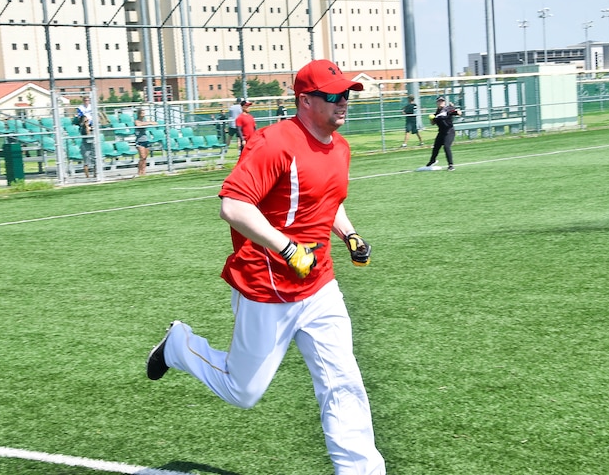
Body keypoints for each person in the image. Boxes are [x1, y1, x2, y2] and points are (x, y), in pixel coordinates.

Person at [146, 59, 385, 475]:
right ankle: (180, 346)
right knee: (244, 391)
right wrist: (288, 247)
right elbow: (233, 206)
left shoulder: (340, 147)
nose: (344, 102)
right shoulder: (274, 143)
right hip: (266, 285)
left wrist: (348, 234)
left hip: (320, 286)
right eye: (334, 96)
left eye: (347, 94)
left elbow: (325, 200)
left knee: (343, 382)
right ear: (305, 101)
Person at [425, 96, 461, 170]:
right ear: (437, 103)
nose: (441, 102)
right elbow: (433, 123)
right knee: (436, 147)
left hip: (449, 132)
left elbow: (457, 113)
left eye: (442, 101)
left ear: (444, 102)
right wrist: (431, 119)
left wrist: (457, 111)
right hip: (441, 132)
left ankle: (451, 165)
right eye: (439, 101)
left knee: (446, 146)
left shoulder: (447, 109)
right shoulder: (437, 113)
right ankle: (432, 161)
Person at [134, 108, 157, 177]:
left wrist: (148, 122)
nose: (143, 114)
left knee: (145, 158)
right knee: (142, 157)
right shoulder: (136, 121)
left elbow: (155, 123)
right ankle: (139, 172)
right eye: (142, 113)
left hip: (145, 140)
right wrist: (148, 123)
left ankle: (143, 172)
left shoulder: (145, 120)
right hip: (139, 141)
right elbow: (138, 124)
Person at [75, 97, 95, 178]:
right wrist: (86, 125)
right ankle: (87, 176)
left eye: (88, 100)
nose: (87, 101)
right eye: (85, 100)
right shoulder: (80, 108)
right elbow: (86, 132)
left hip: (92, 138)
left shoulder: (91, 106)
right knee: (86, 159)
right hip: (86, 143)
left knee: (95, 158)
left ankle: (95, 174)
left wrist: (91, 126)